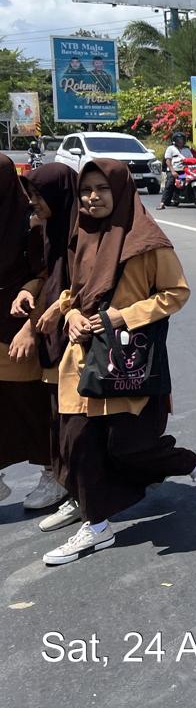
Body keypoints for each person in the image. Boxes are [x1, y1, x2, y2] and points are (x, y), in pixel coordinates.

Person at [35, 160, 196, 565]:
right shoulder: (80, 235)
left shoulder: (148, 242)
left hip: (125, 357)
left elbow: (175, 292)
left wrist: (121, 316)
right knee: (78, 443)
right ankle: (97, 527)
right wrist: (66, 313)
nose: (92, 198)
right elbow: (75, 290)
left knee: (129, 447)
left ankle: (193, 461)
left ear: (120, 190)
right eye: (86, 189)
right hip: (81, 358)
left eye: (102, 189)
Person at [11, 162, 78, 520]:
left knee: (66, 419)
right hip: (50, 335)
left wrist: (34, 324)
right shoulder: (49, 228)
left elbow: (72, 285)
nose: (32, 202)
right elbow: (48, 277)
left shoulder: (78, 233)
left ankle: (73, 487)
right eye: (29, 195)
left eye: (37, 195)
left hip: (73, 338)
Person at [1, 155, 61, 510]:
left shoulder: (31, 224)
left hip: (18, 327)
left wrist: (29, 327)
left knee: (29, 404)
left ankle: (52, 473)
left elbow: (46, 277)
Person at [158, 132, 195, 210]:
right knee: (170, 183)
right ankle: (162, 203)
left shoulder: (187, 149)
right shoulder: (170, 148)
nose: (180, 141)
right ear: (174, 140)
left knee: (193, 179)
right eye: (178, 140)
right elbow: (168, 160)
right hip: (173, 171)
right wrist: (173, 171)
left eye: (182, 139)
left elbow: (191, 159)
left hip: (184, 171)